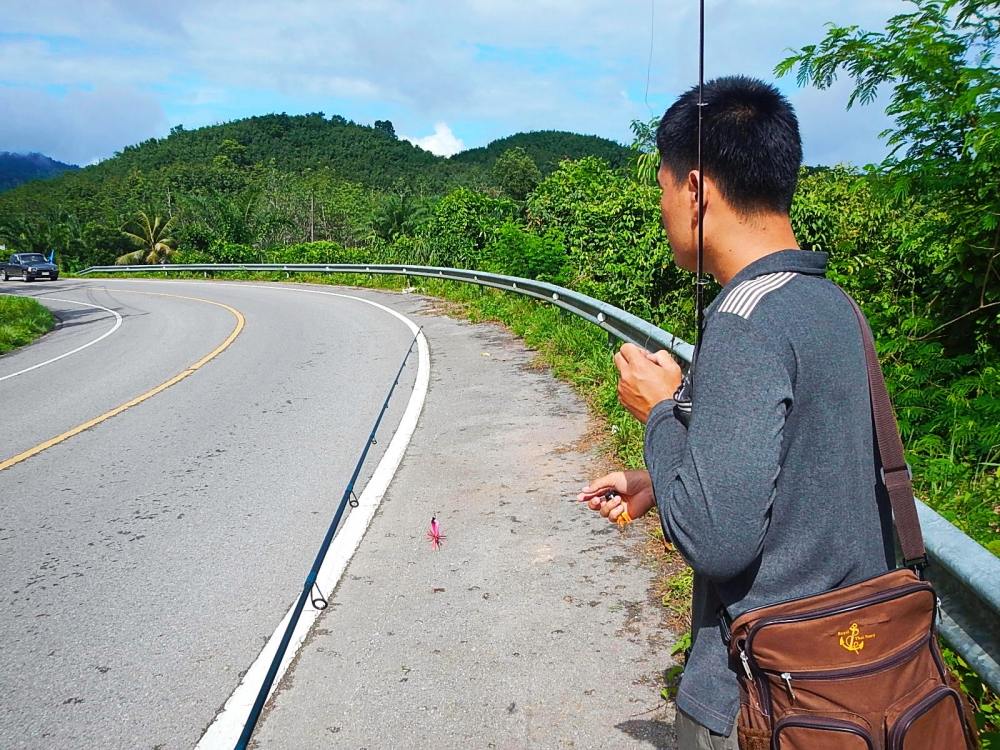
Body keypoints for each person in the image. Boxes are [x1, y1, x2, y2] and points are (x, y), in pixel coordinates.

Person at [577, 75, 895, 749]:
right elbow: (796, 475)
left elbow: (719, 542)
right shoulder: (831, 305)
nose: (662, 208)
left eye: (662, 187)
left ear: (695, 189)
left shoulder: (745, 322)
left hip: (764, 697)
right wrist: (661, 483)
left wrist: (660, 414)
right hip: (858, 677)